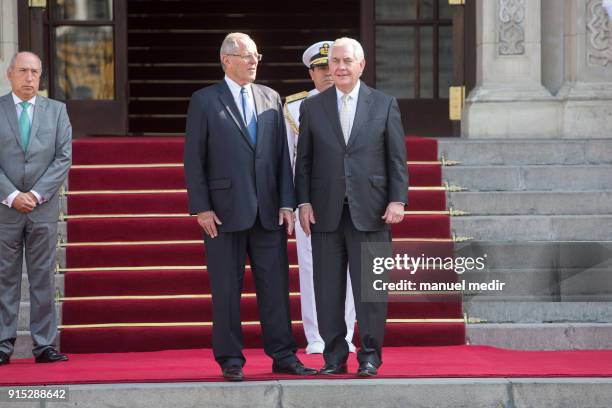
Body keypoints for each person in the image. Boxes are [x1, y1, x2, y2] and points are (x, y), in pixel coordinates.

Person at [183, 32, 317, 381]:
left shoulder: (271, 97)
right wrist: (201, 208)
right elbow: (194, 159)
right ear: (226, 60)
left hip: (269, 211)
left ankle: (283, 354)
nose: (254, 61)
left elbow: (280, 158)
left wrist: (287, 203)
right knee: (226, 288)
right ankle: (230, 358)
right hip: (223, 212)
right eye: (246, 56)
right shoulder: (205, 100)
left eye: (257, 55)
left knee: (275, 287)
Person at [295, 37, 408, 377]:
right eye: (336, 62)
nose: (340, 67)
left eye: (347, 61)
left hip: (372, 211)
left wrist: (397, 199)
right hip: (326, 212)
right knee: (327, 290)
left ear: (361, 65)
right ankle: (334, 356)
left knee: (370, 291)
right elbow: (305, 161)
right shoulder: (313, 107)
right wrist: (303, 201)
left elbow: (396, 158)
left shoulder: (384, 104)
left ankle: (370, 356)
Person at [284, 41, 356, 355]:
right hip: (311, 200)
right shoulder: (295, 107)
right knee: (312, 266)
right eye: (321, 68)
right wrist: (291, 202)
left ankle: (347, 334)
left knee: (353, 268)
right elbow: (288, 159)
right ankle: (316, 334)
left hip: (350, 199)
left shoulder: (357, 100)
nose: (329, 73)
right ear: (310, 72)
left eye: (333, 66)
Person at [0, 51, 72, 365]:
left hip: (42, 209)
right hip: (5, 208)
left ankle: (44, 345)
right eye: (23, 72)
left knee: (42, 276)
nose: (30, 79)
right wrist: (12, 194)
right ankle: (3, 345)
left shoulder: (57, 111)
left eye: (35, 72)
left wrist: (38, 194)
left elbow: (63, 157)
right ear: (9, 74)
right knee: (5, 277)